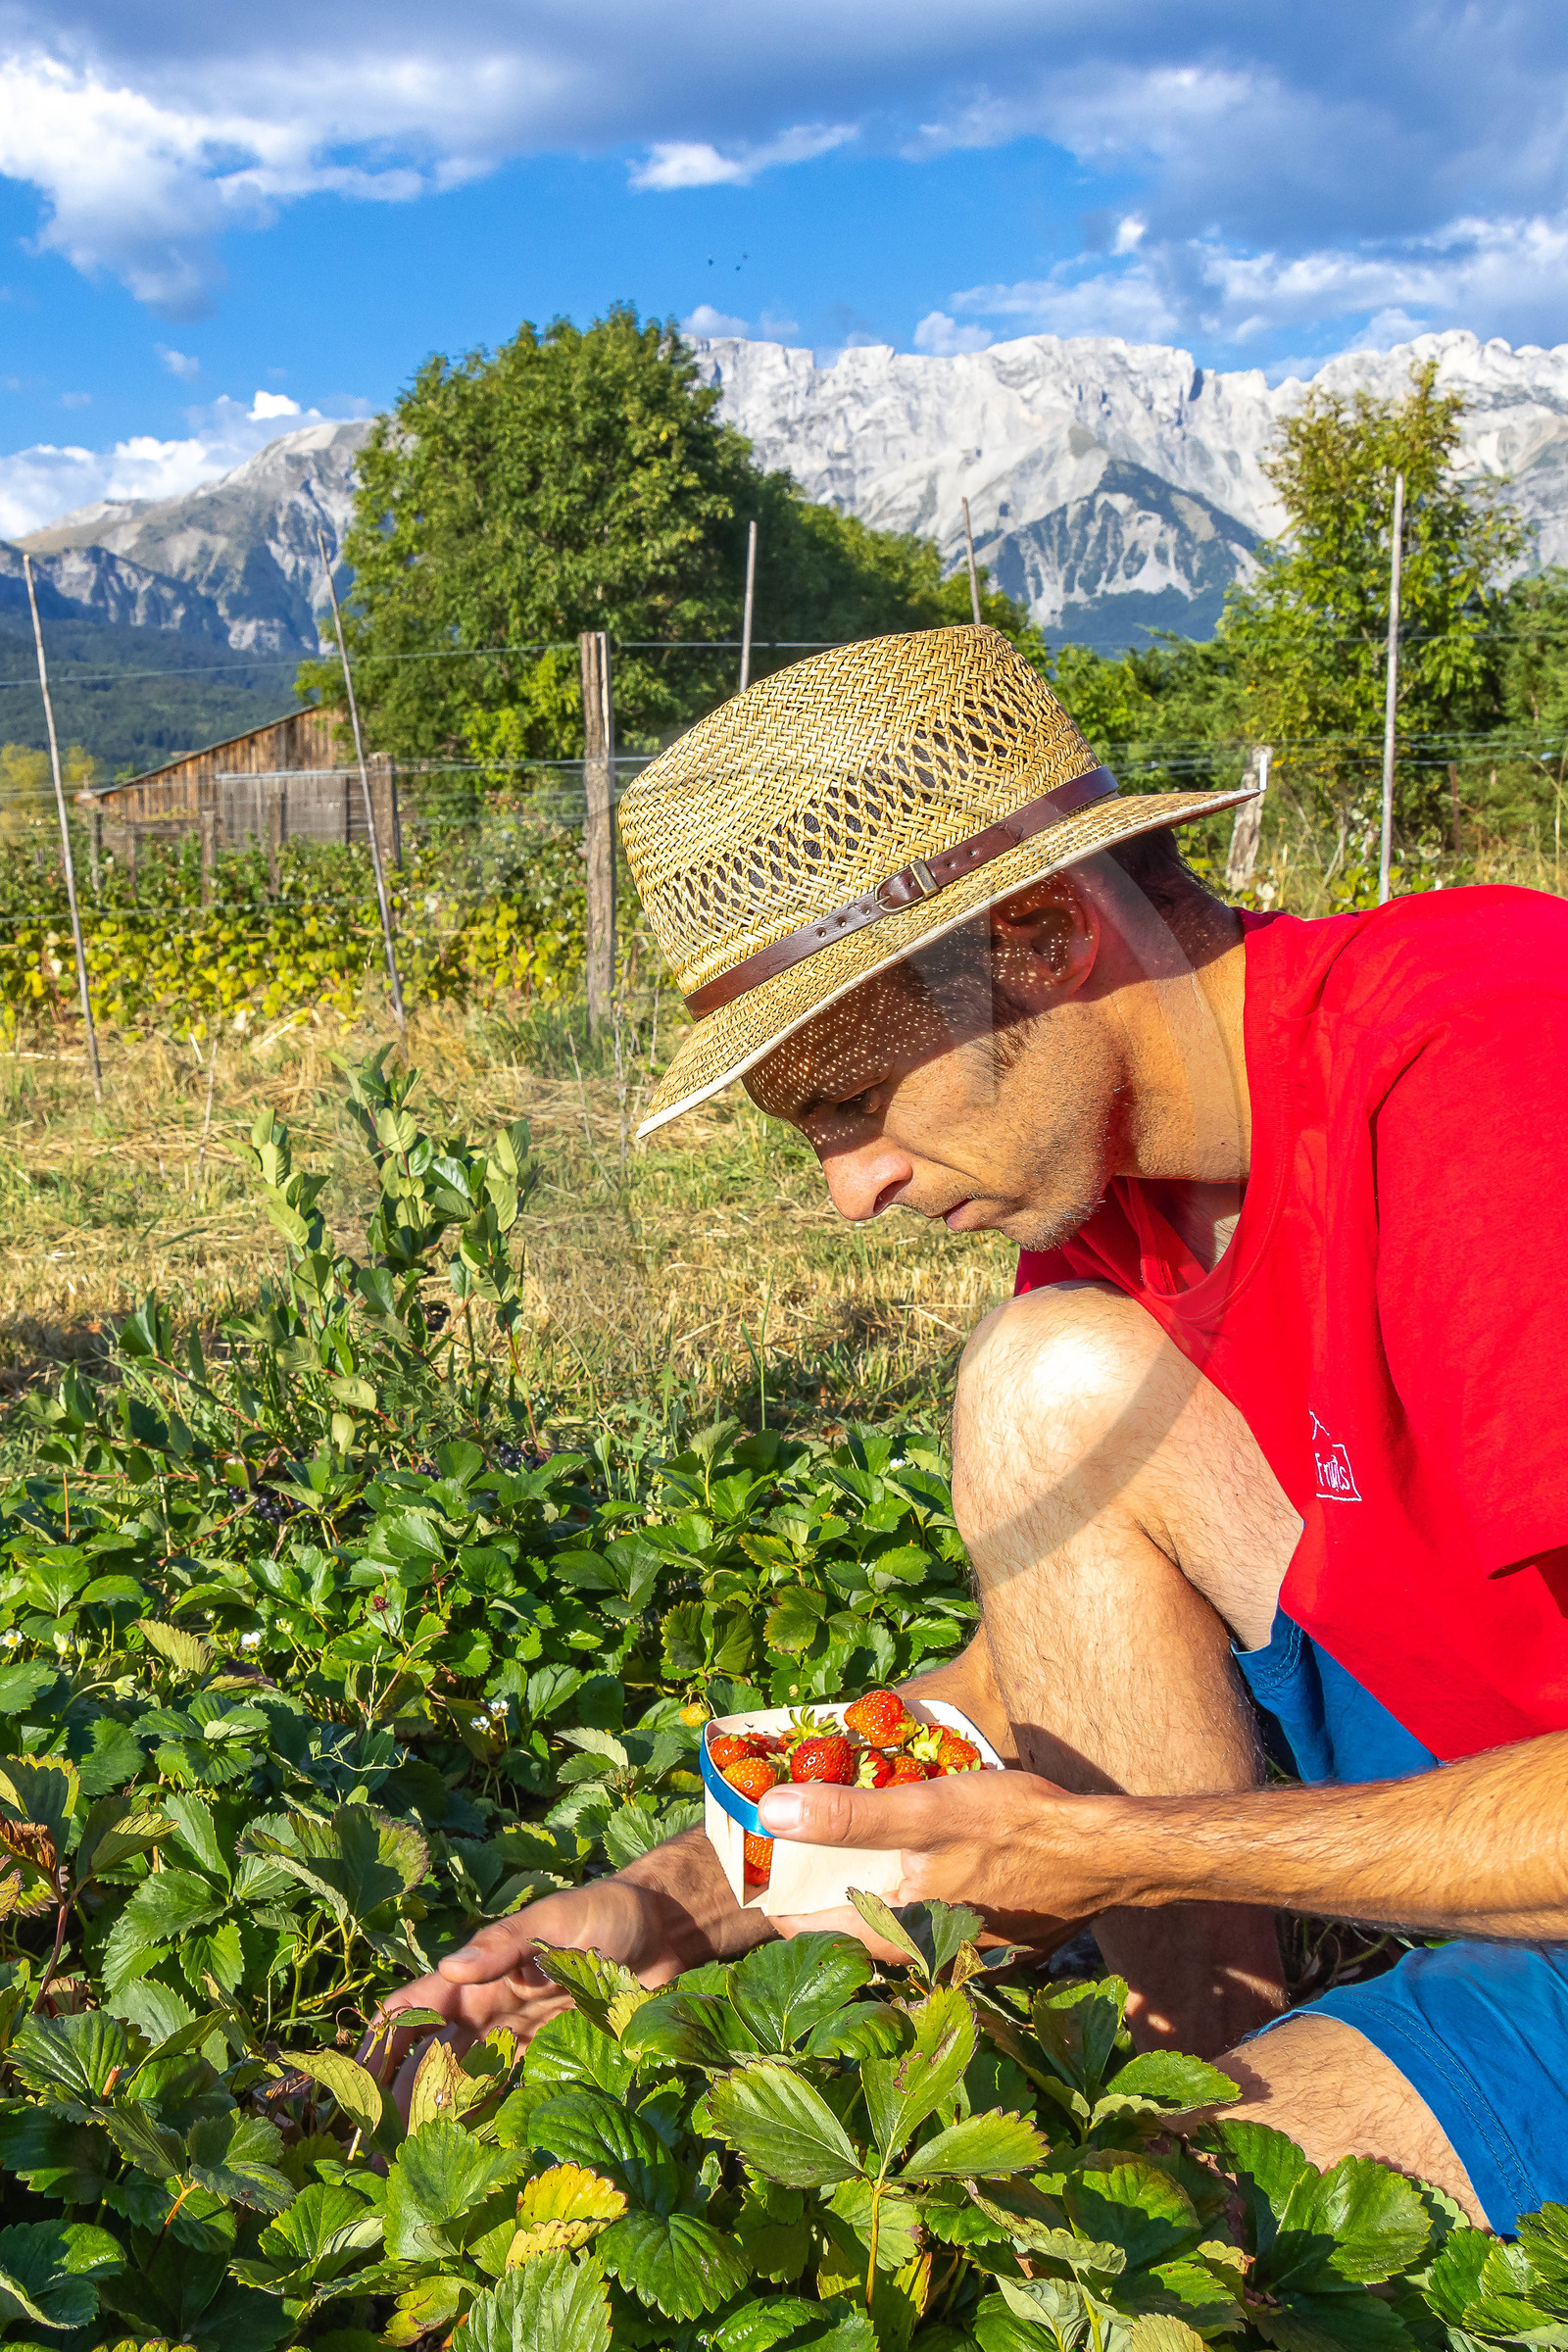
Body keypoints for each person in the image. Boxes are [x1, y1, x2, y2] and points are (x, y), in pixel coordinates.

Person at [370, 627, 1568, 2234]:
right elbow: (1027, 1687)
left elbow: (1085, 1812)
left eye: (853, 1111)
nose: (849, 1189)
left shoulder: (1483, 1066)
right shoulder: (1117, 1199)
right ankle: (1204, 2065)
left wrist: (1122, 1852)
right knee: (1045, 1377)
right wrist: (679, 1894)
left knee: (1145, 2233)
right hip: (1480, 1752)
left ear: (1039, 931)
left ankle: (1225, 2171)